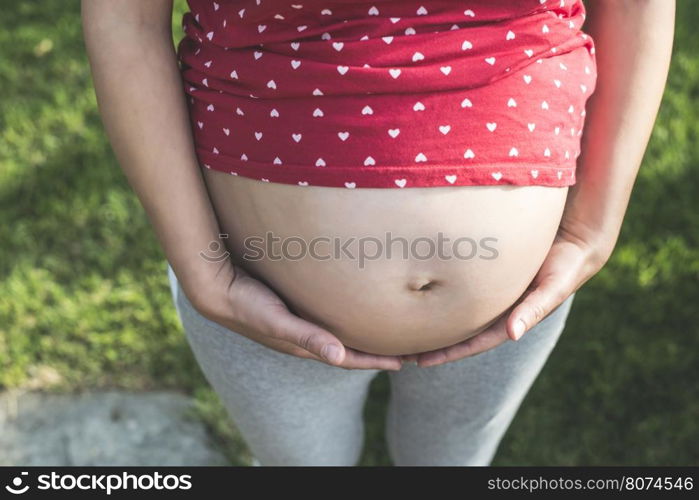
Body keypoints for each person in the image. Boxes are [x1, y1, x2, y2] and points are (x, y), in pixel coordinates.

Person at [81, 0, 673, 465]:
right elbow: (125, 16)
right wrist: (203, 270)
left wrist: (594, 229)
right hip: (258, 290)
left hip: (514, 303)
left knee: (452, 464)